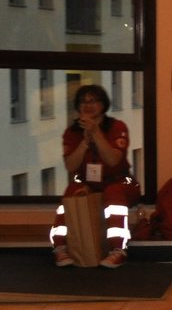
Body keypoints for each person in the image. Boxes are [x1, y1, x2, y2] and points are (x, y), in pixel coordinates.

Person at [49, 82, 141, 268]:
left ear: (103, 104)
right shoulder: (72, 132)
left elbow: (113, 160)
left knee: (113, 195)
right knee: (71, 193)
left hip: (120, 181)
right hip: (87, 182)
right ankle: (60, 248)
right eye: (83, 101)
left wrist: (96, 132)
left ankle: (118, 250)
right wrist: (85, 140)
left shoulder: (116, 126)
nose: (88, 105)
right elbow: (70, 165)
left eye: (93, 100)